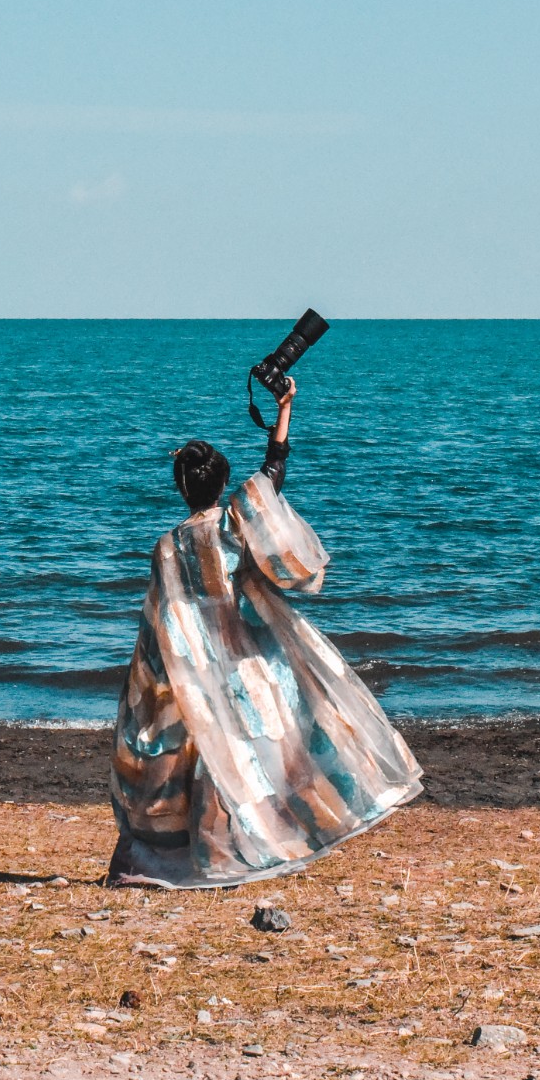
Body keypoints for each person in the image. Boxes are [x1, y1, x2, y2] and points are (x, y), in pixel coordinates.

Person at [109, 376, 423, 889]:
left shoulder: (167, 547)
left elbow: (159, 626)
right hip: (249, 660)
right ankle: (251, 846)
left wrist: (155, 688)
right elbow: (273, 472)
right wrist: (285, 408)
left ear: (181, 489)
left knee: (210, 760)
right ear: (221, 483)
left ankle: (202, 856)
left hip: (195, 672)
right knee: (259, 754)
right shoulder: (235, 523)